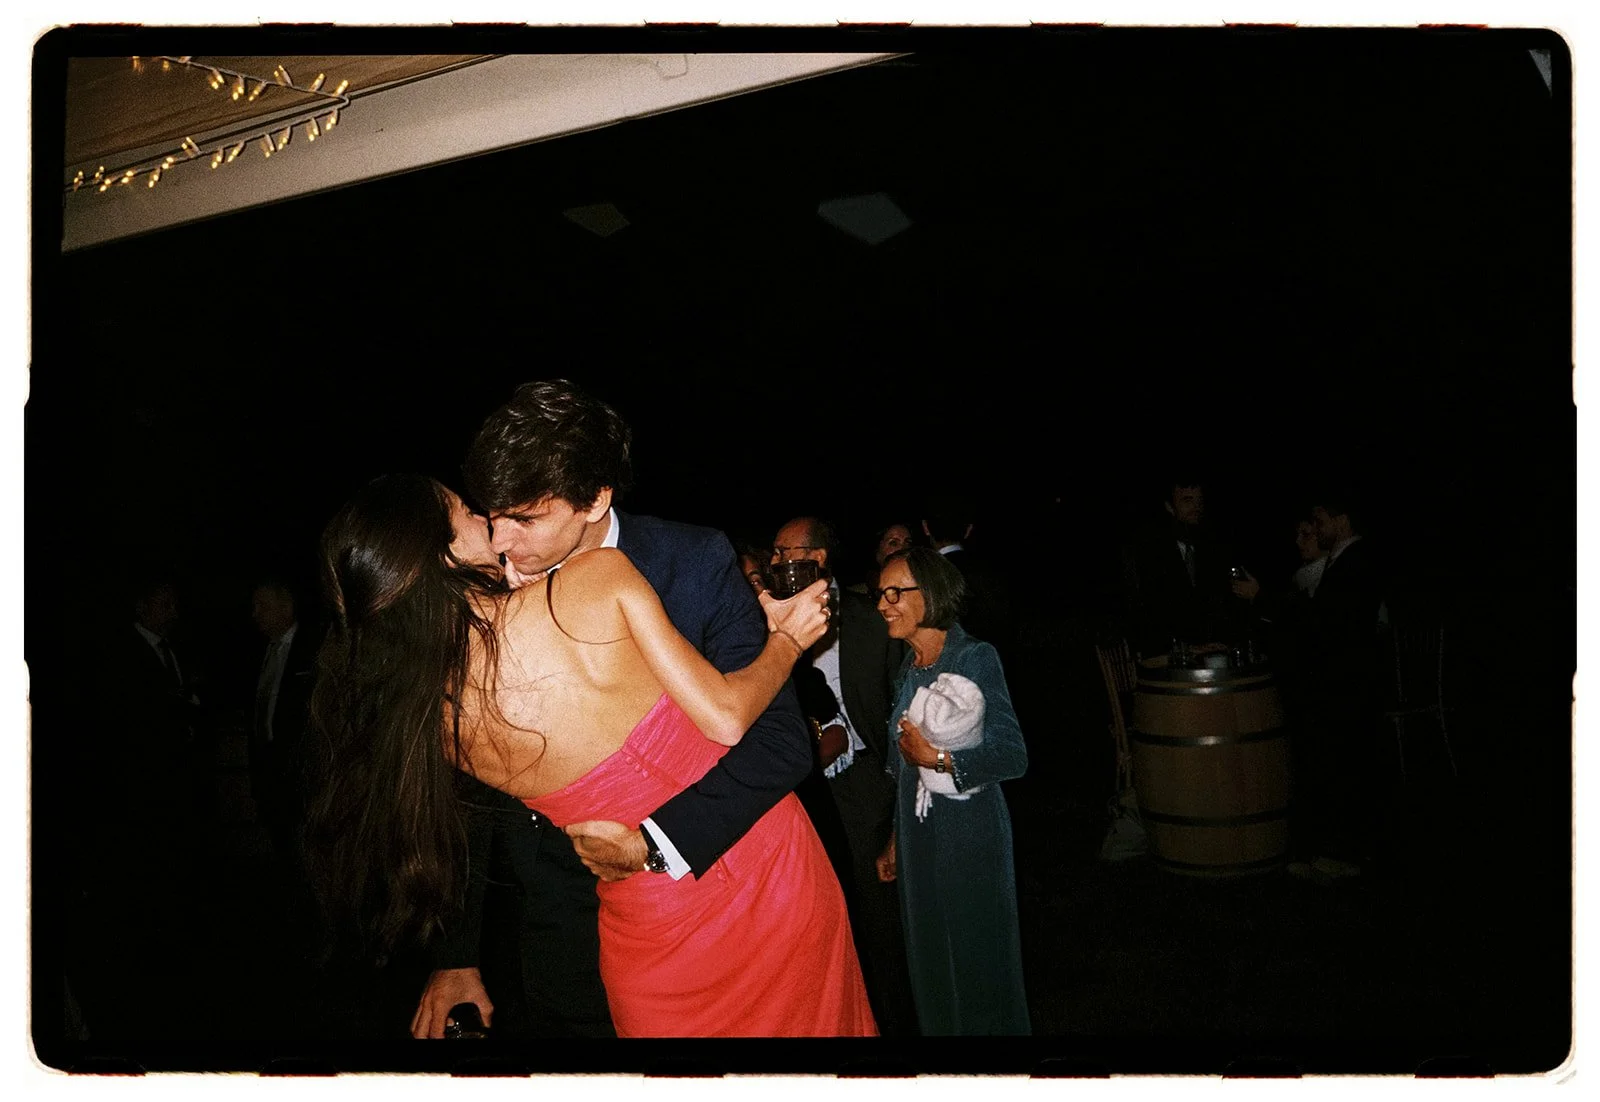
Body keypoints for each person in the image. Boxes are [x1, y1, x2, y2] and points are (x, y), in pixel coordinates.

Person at [304, 473, 875, 1037]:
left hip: (643, 933)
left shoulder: (432, 722)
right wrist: (787, 641)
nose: (489, 521)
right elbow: (727, 716)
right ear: (442, 553)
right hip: (765, 882)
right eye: (467, 513)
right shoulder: (597, 579)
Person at [412, 379, 823, 1039]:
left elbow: (780, 742)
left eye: (525, 518)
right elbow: (458, 790)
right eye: (491, 514)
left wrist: (655, 846)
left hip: (725, 878)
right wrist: (456, 953)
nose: (501, 540)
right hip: (556, 914)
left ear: (595, 499)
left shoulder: (692, 560)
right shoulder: (479, 588)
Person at [770, 515, 918, 1036]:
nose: (775, 562)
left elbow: (899, 703)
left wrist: (895, 786)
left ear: (817, 559)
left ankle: (894, 1026)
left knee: (876, 917)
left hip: (862, 784)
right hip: (795, 790)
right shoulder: (767, 619)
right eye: (773, 553)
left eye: (784, 552)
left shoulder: (869, 618)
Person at [873, 547, 1030, 1035]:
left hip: (970, 834)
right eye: (880, 594)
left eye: (895, 593)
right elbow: (902, 768)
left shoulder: (974, 657)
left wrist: (938, 759)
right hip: (917, 837)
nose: (882, 604)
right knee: (931, 966)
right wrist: (896, 839)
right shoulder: (909, 666)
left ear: (931, 594)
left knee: (979, 965)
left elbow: (1013, 755)